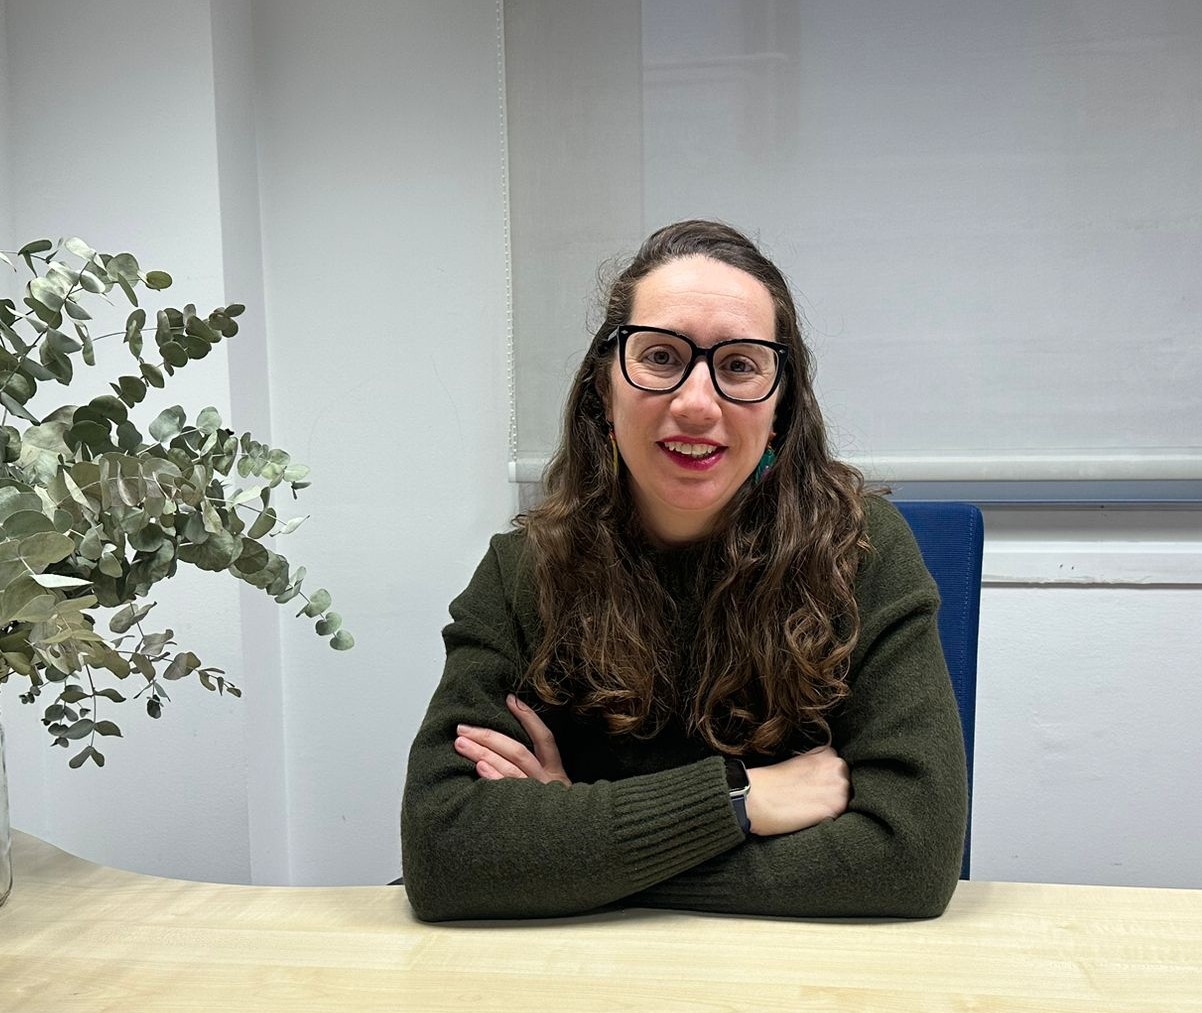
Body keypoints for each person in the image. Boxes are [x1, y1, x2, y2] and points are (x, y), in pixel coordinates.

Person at [399, 219, 967, 922]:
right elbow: (445, 853)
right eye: (661, 357)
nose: (697, 403)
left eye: (739, 365)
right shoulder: (522, 572)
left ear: (781, 407)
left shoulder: (861, 551)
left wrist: (574, 846)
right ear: (603, 390)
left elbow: (908, 859)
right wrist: (740, 799)